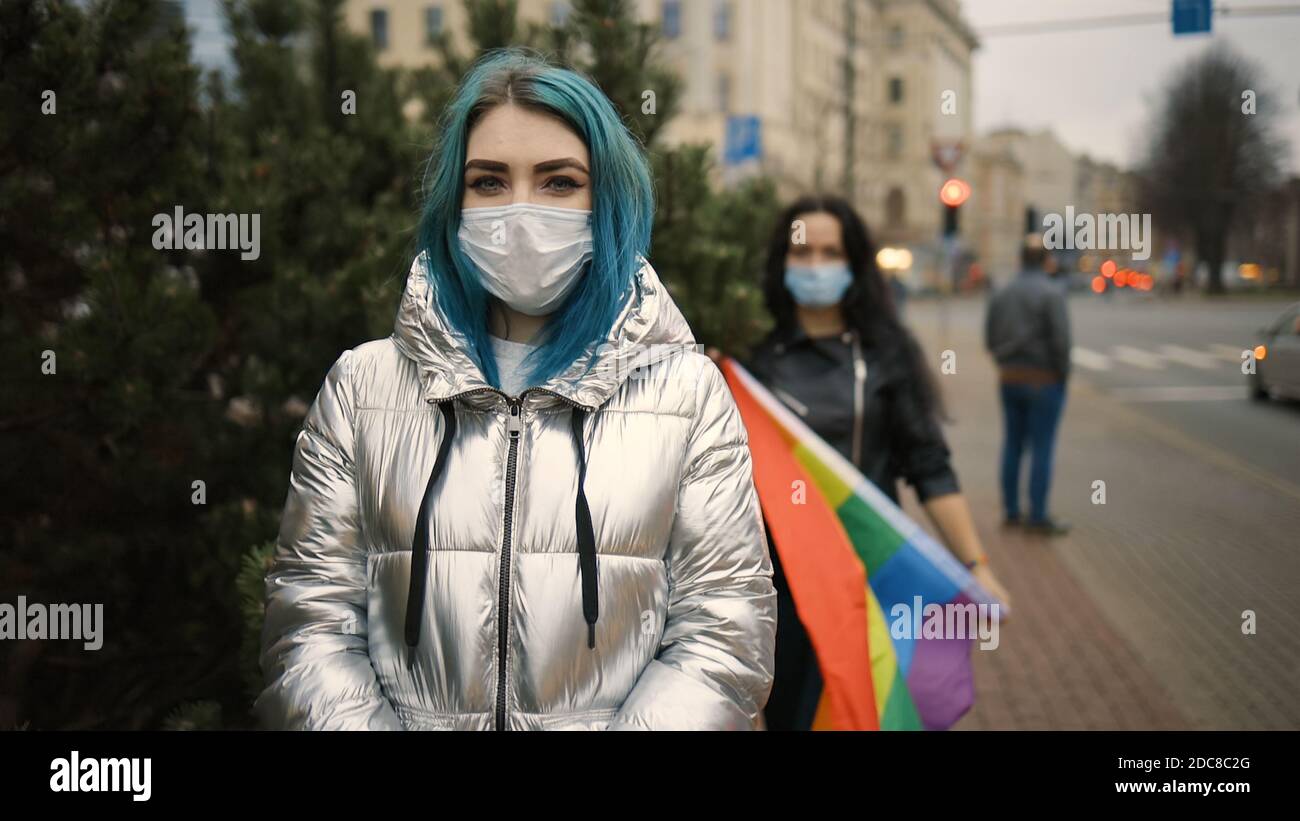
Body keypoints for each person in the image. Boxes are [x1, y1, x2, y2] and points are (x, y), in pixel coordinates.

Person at [255, 49, 776, 731]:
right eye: (490, 181)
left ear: (605, 200)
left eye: (559, 182)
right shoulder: (362, 387)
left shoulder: (689, 394)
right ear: (455, 201)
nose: (521, 209)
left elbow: (723, 635)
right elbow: (308, 625)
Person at [742, 194, 1011, 731]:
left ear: (853, 263)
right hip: (782, 590)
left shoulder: (887, 357)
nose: (815, 265)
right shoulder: (753, 367)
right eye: (802, 252)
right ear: (782, 262)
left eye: (830, 252)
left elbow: (930, 467)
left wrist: (978, 566)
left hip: (865, 583)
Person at [984, 241, 1071, 535]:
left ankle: (1010, 510)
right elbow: (1061, 341)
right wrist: (1062, 374)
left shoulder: (1002, 293)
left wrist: (1004, 360)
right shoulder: (1052, 293)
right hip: (1044, 380)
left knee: (1012, 444)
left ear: (1020, 260)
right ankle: (1038, 515)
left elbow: (989, 339)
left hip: (1009, 378)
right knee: (1042, 447)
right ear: (1046, 261)